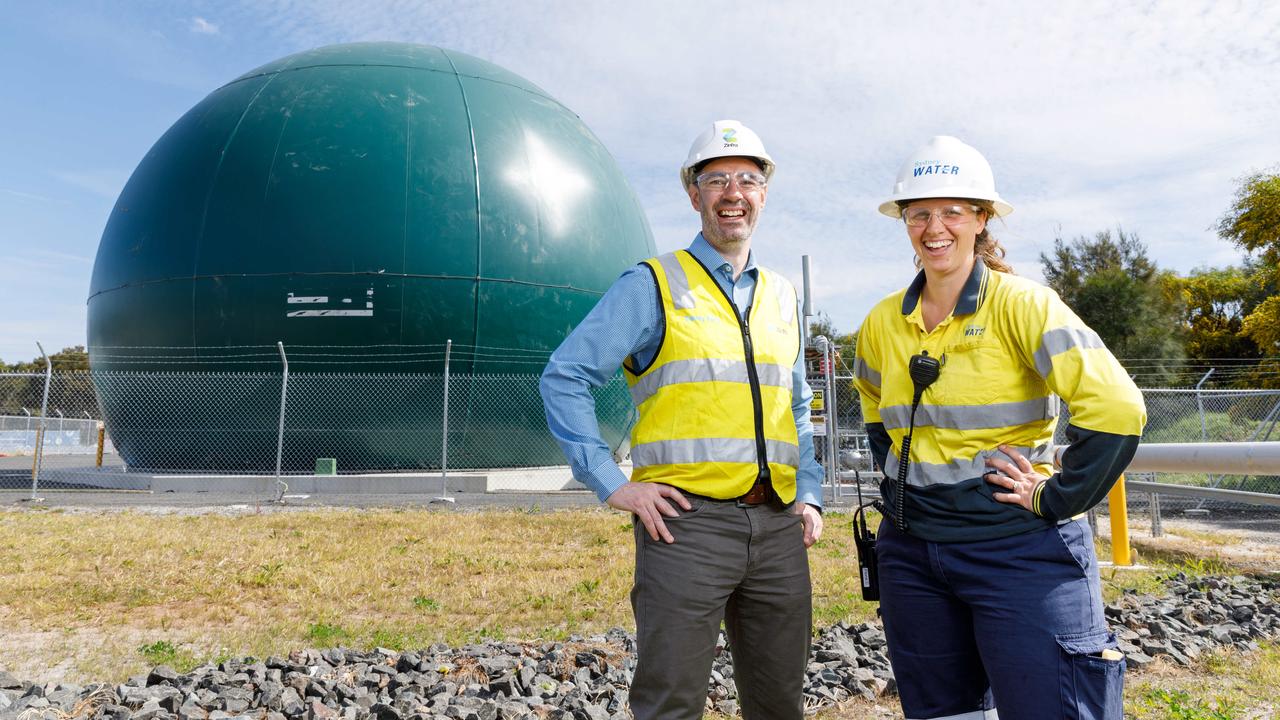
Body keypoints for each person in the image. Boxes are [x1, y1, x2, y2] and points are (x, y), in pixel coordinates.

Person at [851, 136, 1146, 720]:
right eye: (920, 213)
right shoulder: (883, 322)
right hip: (913, 557)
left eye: (954, 212)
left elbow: (1116, 409)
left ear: (982, 219)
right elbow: (874, 411)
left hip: (1018, 551)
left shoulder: (1024, 305)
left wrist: (1055, 495)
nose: (935, 227)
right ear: (905, 222)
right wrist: (904, 495)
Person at [540, 119, 824, 720]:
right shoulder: (652, 284)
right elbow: (565, 376)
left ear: (764, 194)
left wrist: (812, 492)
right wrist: (612, 484)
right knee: (670, 702)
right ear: (693, 194)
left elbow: (795, 404)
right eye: (716, 179)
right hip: (685, 527)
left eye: (748, 179)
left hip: (778, 528)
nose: (733, 193)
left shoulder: (781, 295)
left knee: (780, 704)